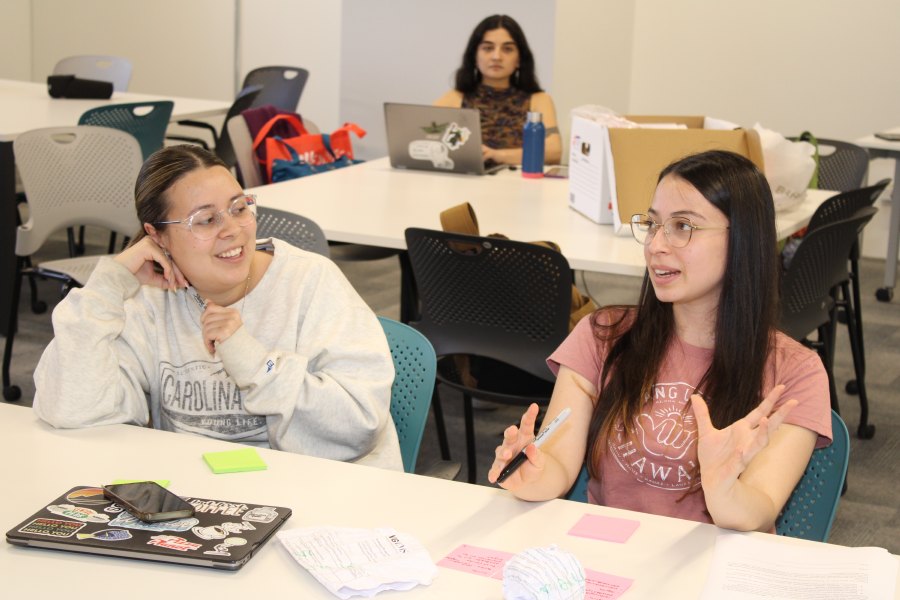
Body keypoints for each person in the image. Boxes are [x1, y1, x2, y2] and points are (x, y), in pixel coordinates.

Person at [488, 150, 833, 533]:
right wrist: (531, 472)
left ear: (743, 241)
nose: (655, 245)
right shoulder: (603, 334)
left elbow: (759, 510)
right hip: (609, 558)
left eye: (682, 226)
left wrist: (722, 488)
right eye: (653, 224)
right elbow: (558, 467)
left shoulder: (794, 371)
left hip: (711, 572)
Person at [33, 145, 402, 471]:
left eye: (239, 208)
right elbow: (72, 410)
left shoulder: (310, 282)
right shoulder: (143, 300)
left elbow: (359, 426)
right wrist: (109, 286)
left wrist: (257, 365)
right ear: (157, 235)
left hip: (320, 500)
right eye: (206, 220)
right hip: (199, 509)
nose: (234, 230)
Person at [434, 14, 561, 165]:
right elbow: (418, 138)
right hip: (467, 184)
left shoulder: (538, 100)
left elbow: (554, 152)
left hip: (520, 185)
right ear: (475, 56)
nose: (496, 56)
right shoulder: (455, 98)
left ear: (519, 59)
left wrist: (498, 155)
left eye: (507, 49)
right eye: (488, 48)